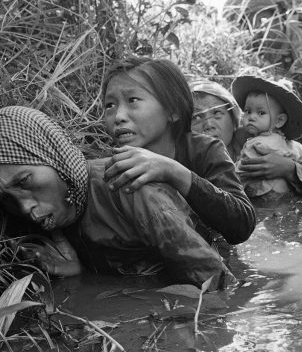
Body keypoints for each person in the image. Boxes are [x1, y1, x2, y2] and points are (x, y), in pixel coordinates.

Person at [0, 106, 234, 290]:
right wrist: (77, 271)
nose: (24, 208)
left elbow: (217, 285)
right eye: (5, 199)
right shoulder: (51, 215)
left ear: (53, 156)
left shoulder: (129, 189)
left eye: (24, 181)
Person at [100, 57, 256, 245]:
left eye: (133, 100)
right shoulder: (108, 164)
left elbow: (242, 224)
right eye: (110, 105)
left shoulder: (205, 150)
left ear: (172, 110)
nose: (118, 116)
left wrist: (174, 172)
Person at [190, 79, 302, 197]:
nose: (208, 125)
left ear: (234, 118)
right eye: (196, 117)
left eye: (217, 113)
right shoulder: (189, 160)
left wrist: (288, 168)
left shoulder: (260, 140)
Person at [231, 75, 302, 197]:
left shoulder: (255, 144)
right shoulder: (294, 146)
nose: (251, 117)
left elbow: (240, 173)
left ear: (280, 120)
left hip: (262, 195)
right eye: (247, 111)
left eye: (261, 113)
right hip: (286, 194)